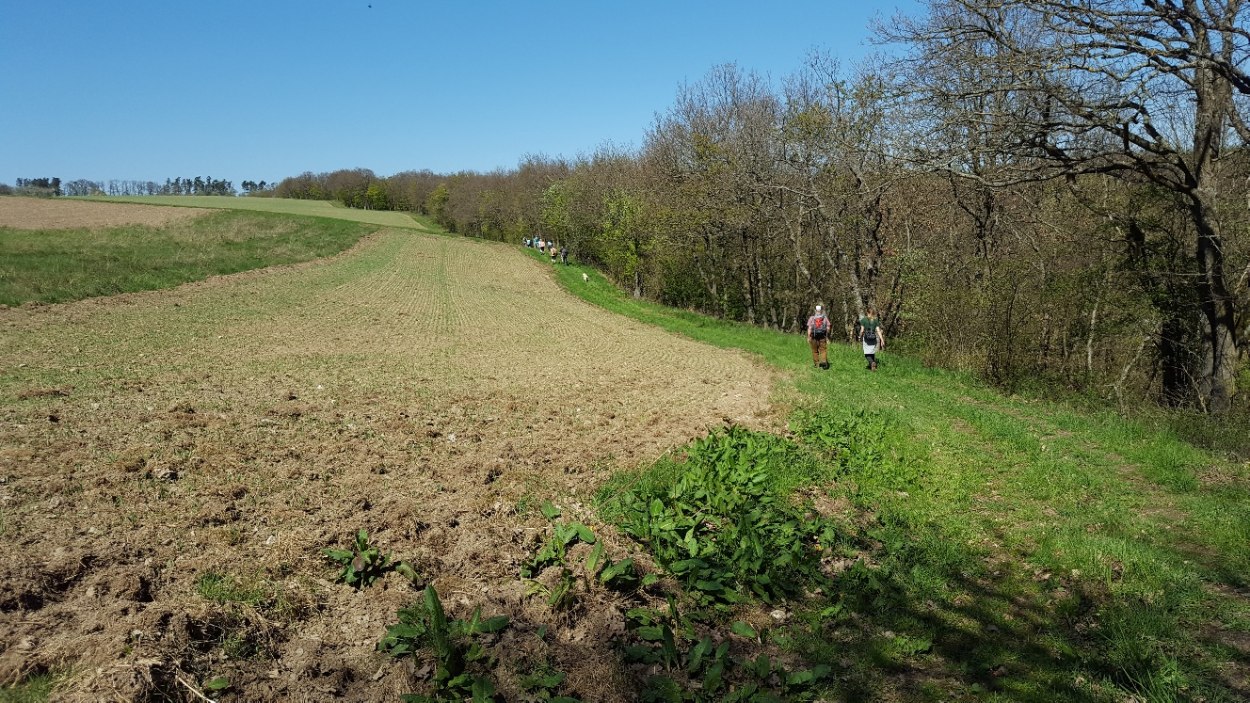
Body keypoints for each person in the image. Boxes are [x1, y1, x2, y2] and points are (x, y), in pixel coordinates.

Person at [806, 304, 831, 369]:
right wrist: (827, 336)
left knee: (815, 350)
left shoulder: (812, 318)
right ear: (821, 310)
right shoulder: (825, 318)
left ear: (815, 310)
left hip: (813, 337)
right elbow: (828, 328)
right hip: (822, 336)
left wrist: (808, 337)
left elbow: (809, 328)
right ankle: (823, 362)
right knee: (823, 350)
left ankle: (816, 364)